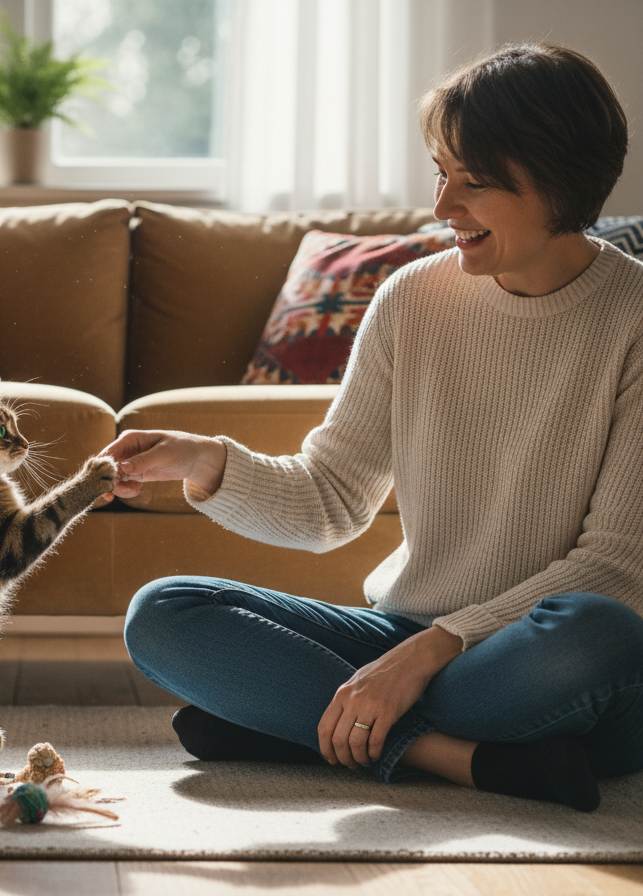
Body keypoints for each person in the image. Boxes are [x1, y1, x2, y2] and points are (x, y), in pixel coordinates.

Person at [105, 43, 643, 812]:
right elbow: (330, 501)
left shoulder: (635, 319)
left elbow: (620, 566)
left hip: (538, 657)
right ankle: (450, 757)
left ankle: (291, 724)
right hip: (406, 636)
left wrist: (432, 651)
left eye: (473, 181)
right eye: (441, 171)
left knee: (598, 633)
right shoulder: (410, 300)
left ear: (558, 181)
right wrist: (204, 462)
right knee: (164, 613)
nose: (442, 206)